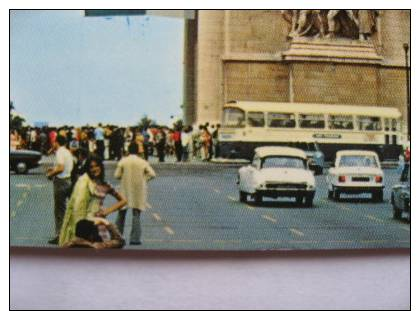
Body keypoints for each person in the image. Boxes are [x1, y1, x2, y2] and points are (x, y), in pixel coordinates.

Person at [58, 155, 127, 247]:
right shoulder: (84, 182)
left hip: (99, 223)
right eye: (91, 167)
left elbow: (123, 200)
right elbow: (76, 204)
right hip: (83, 223)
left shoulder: (106, 185)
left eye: (96, 166)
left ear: (101, 167)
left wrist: (107, 212)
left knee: (103, 248)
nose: (94, 169)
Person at [114, 142, 156, 245]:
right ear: (138, 150)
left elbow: (117, 175)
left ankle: (117, 236)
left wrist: (124, 177)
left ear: (128, 150)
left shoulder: (123, 161)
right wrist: (143, 179)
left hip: (125, 189)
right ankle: (135, 239)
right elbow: (152, 174)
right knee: (136, 214)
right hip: (138, 190)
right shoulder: (142, 162)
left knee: (121, 214)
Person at [46, 135, 74, 245]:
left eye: (53, 142)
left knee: (59, 210)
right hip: (68, 180)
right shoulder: (67, 152)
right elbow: (64, 167)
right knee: (67, 208)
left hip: (60, 182)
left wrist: (50, 174)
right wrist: (53, 169)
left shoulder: (59, 152)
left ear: (56, 142)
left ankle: (60, 235)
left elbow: (61, 168)